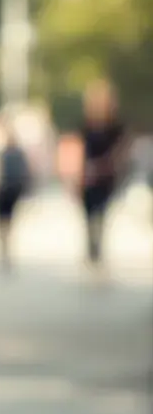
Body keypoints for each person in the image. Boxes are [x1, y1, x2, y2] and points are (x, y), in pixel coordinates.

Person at [76, 80, 129, 276]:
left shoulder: (115, 126)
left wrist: (106, 166)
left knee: (101, 213)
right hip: (87, 177)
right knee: (89, 215)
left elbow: (121, 149)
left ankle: (97, 252)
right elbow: (77, 149)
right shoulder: (86, 124)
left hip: (106, 176)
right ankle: (91, 251)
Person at [0, 123, 31, 274]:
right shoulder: (8, 153)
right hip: (7, 190)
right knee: (5, 221)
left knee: (5, 221)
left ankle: (5, 247)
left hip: (8, 190)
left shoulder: (9, 153)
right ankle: (4, 247)